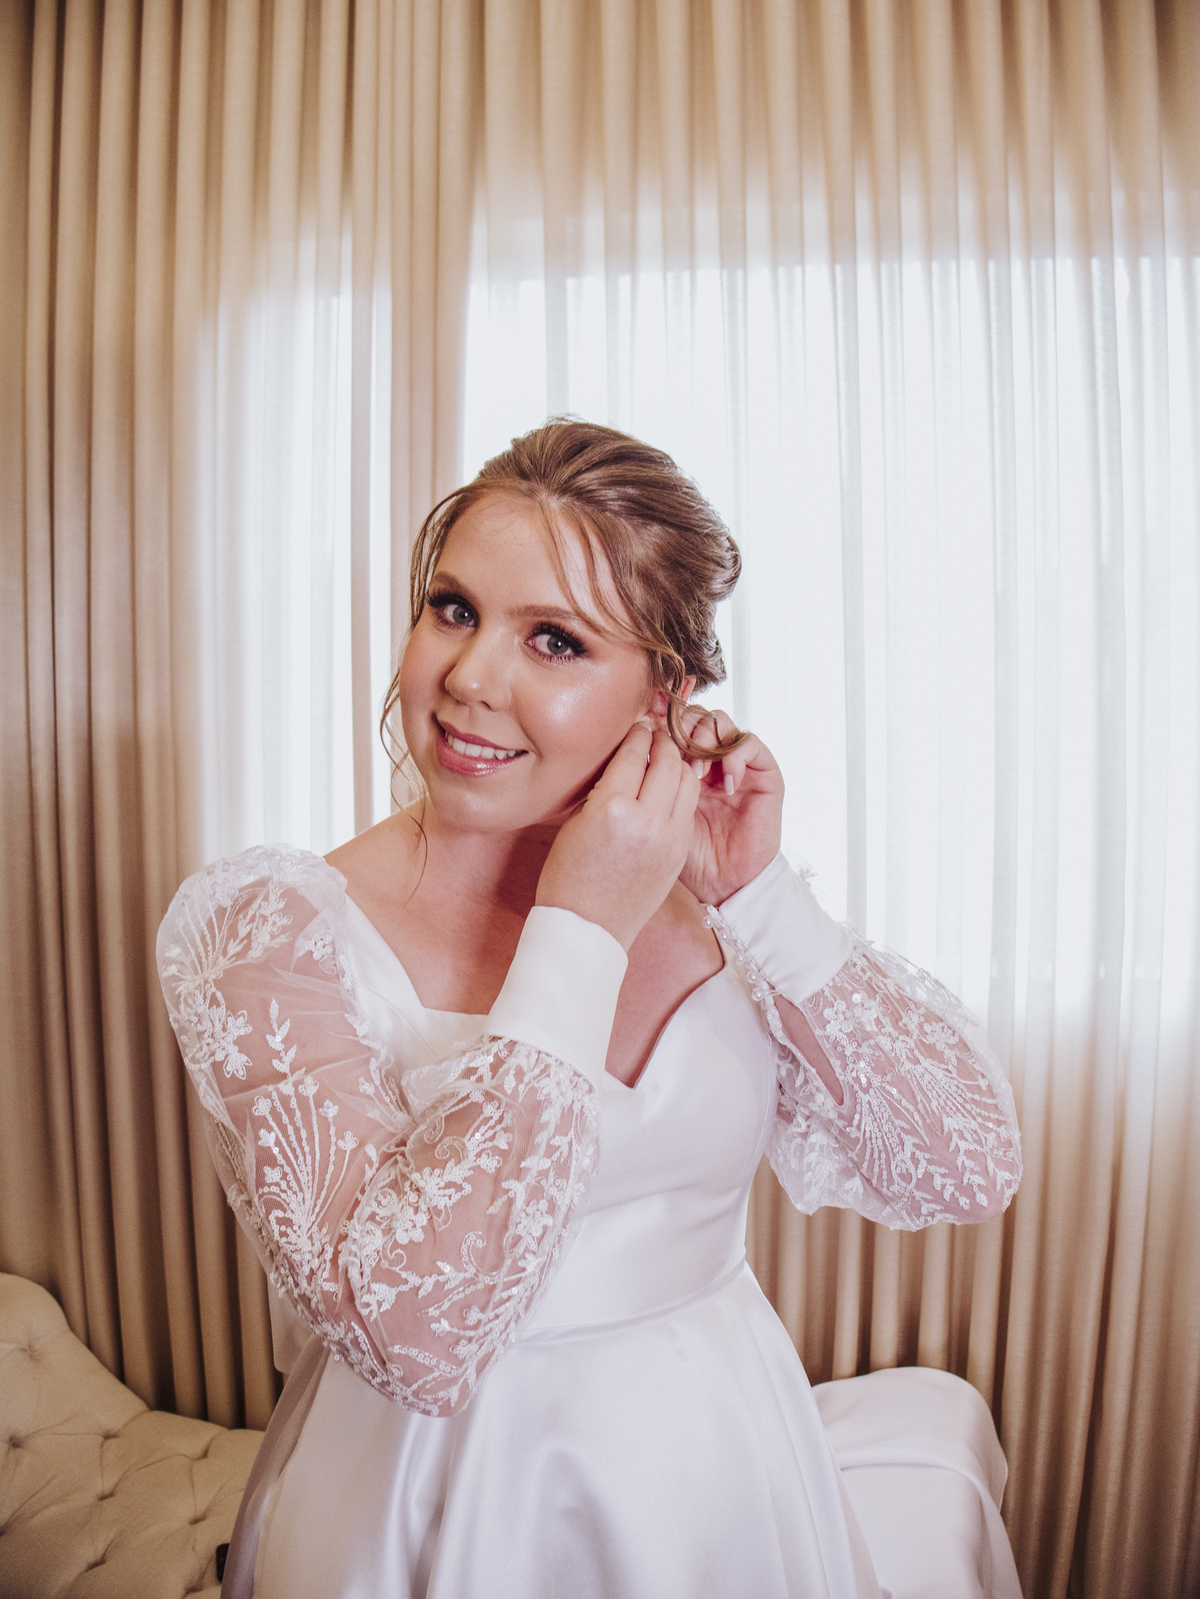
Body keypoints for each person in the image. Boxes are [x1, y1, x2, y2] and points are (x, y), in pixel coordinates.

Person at [157, 420, 1022, 1599]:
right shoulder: (268, 935)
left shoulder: (708, 899)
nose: (468, 678)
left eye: (553, 639)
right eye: (453, 609)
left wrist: (761, 895)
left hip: (726, 1473)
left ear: (665, 691)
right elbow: (417, 1343)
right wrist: (577, 931)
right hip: (434, 1514)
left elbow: (964, 1167)